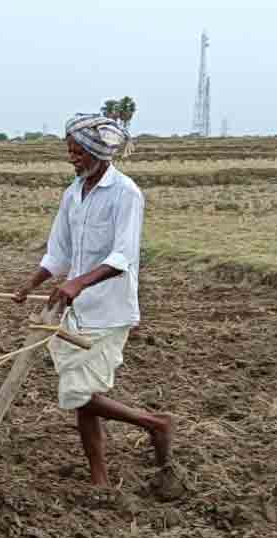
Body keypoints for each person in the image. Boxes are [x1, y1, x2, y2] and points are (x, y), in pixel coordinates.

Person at [12, 113, 173, 487]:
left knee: (78, 393)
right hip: (75, 310)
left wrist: (78, 283)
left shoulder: (126, 194)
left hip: (109, 310)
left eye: (78, 152)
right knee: (83, 393)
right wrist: (30, 284)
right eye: (69, 151)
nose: (72, 159)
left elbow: (123, 257)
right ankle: (99, 478)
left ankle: (156, 423)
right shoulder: (73, 193)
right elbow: (59, 252)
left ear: (98, 152)